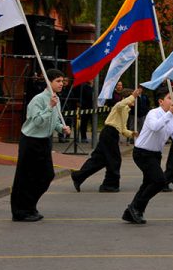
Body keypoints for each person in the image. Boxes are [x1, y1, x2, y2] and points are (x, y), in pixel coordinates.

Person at [11, 69, 71, 221]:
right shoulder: (38, 100)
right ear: (48, 82)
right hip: (31, 141)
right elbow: (37, 122)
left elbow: (54, 120)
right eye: (58, 81)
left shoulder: (55, 98)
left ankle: (30, 205)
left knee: (46, 175)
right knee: (27, 177)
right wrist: (50, 107)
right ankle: (21, 211)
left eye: (62, 81)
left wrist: (61, 128)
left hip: (45, 141)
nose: (61, 84)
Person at [122, 85, 173, 225]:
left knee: (148, 182)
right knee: (159, 181)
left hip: (155, 154)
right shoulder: (153, 113)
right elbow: (156, 127)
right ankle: (135, 207)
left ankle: (132, 212)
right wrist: (169, 113)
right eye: (170, 98)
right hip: (142, 153)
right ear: (161, 101)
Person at [71, 87, 140, 193]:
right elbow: (121, 104)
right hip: (109, 133)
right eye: (133, 99)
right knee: (114, 160)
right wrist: (133, 96)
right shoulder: (120, 106)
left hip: (112, 134)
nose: (134, 100)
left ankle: (78, 176)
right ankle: (109, 184)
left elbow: (122, 129)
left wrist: (132, 134)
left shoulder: (126, 110)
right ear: (126, 98)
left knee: (99, 159)